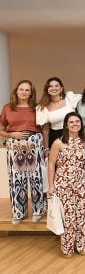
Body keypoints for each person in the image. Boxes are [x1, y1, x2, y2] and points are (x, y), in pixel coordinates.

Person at [0, 80, 47, 224]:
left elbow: (45, 129)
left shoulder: (38, 108)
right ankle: (18, 212)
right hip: (15, 146)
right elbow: (1, 129)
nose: (24, 92)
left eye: (27, 90)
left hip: (35, 145)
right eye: (21, 89)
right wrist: (11, 135)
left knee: (37, 179)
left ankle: (39, 210)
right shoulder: (8, 107)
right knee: (16, 180)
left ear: (31, 92)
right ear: (16, 91)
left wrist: (45, 147)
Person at [47, 112, 85, 258]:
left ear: (81, 124)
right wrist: (51, 185)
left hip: (80, 183)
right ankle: (67, 247)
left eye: (77, 122)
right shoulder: (58, 142)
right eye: (71, 122)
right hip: (63, 183)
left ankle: (82, 244)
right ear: (66, 125)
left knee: (82, 215)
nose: (74, 124)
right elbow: (51, 164)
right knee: (68, 216)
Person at [36, 77, 82, 148]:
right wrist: (46, 148)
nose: (54, 88)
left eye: (57, 86)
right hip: (55, 138)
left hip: (74, 134)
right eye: (50, 86)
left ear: (61, 88)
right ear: (47, 89)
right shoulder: (43, 107)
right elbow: (45, 130)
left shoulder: (69, 99)